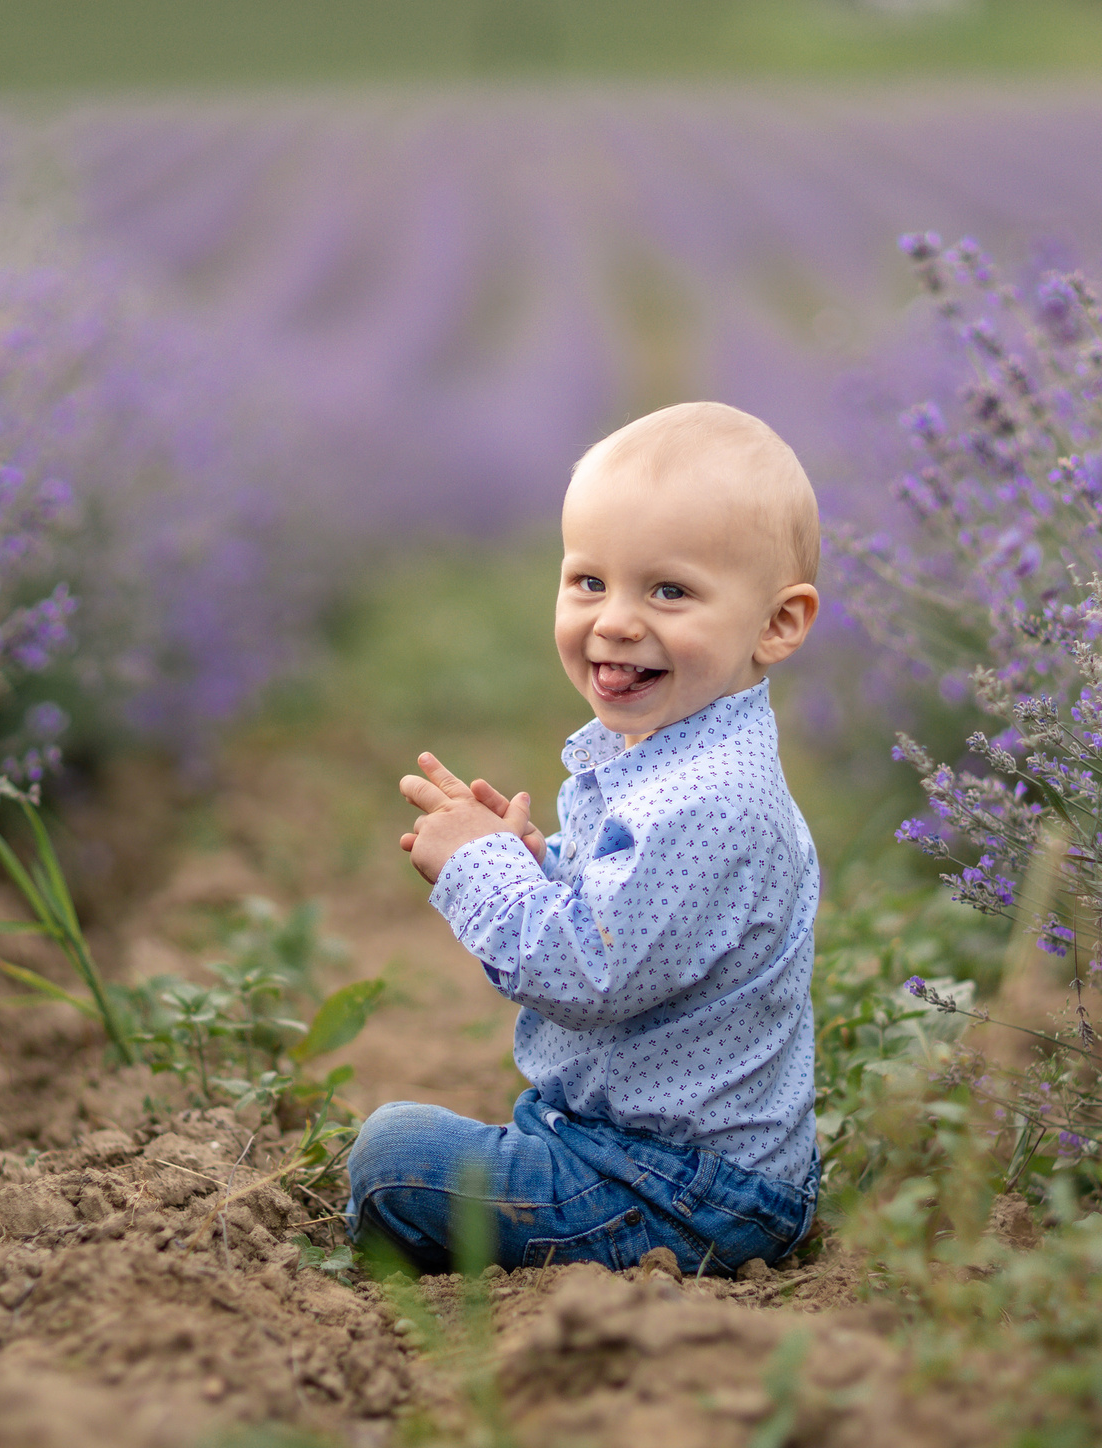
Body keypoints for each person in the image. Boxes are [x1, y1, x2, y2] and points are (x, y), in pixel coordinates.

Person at [346, 401, 823, 1275]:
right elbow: (637, 913)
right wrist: (539, 864)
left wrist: (481, 868)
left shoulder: (708, 800)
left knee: (393, 1155)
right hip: (661, 1160)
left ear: (776, 624)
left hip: (684, 1189)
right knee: (432, 1148)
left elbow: (586, 971)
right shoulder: (679, 756)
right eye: (589, 582)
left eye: (669, 591)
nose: (615, 620)